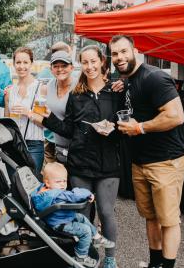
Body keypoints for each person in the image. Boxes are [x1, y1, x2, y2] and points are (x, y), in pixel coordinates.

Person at [32, 45, 122, 268]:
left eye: (94, 61)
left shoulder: (116, 91)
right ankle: (80, 255)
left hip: (108, 161)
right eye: (86, 62)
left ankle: (110, 260)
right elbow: (68, 129)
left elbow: (126, 122)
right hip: (80, 160)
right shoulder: (77, 94)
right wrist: (45, 118)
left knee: (105, 211)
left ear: (102, 61)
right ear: (81, 65)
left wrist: (115, 128)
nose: (90, 67)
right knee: (80, 211)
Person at [111, 35, 184, 268]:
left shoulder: (155, 77)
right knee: (150, 217)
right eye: (114, 54)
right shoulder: (127, 81)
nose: (119, 57)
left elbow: (176, 116)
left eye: (124, 51)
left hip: (166, 160)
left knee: (169, 220)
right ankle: (155, 264)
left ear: (135, 51)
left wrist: (140, 127)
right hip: (140, 161)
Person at [31, 162, 115, 267]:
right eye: (58, 181)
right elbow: (75, 195)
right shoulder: (58, 194)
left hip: (56, 217)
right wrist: (88, 194)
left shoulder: (42, 191)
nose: (62, 184)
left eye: (64, 181)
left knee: (81, 217)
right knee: (85, 231)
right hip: (60, 224)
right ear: (47, 182)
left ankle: (96, 237)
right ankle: (81, 256)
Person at [4, 47, 45, 174]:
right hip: (13, 144)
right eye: (18, 62)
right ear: (14, 64)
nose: (22, 66)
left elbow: (44, 122)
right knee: (15, 185)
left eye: (25, 62)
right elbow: (7, 123)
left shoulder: (41, 88)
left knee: (30, 187)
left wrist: (28, 112)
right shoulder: (9, 91)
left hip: (34, 145)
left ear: (32, 63)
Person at [36, 42, 74, 167]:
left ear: (71, 67)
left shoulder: (78, 86)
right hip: (51, 140)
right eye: (56, 66)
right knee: (51, 179)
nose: (60, 69)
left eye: (64, 65)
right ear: (51, 68)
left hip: (73, 146)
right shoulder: (47, 87)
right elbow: (40, 112)